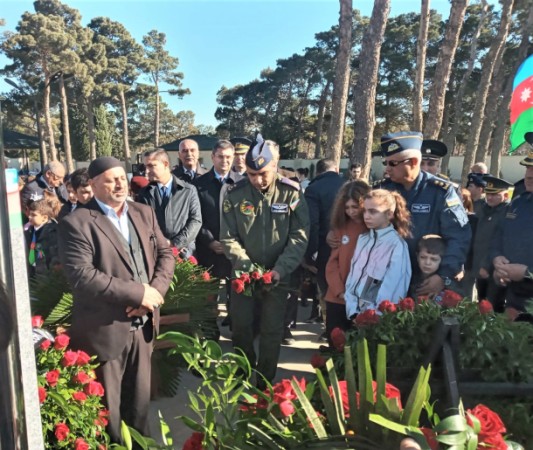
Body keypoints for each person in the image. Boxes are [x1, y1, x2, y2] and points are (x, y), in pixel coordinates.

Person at [58, 156, 175, 444]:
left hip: (144, 327)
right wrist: (137, 293)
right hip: (105, 331)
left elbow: (165, 254)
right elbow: (83, 276)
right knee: (109, 416)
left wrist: (153, 294)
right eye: (111, 179)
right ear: (94, 184)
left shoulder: (143, 212)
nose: (120, 184)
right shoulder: (77, 223)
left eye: (122, 177)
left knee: (139, 408)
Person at [220, 139, 309, 388]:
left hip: (278, 275)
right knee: (241, 327)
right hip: (243, 275)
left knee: (271, 331)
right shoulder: (235, 194)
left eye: (263, 174)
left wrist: (281, 269)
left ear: (275, 165)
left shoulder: (291, 192)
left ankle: (264, 382)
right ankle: (242, 376)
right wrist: (245, 265)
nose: (257, 180)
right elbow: (228, 236)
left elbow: (299, 236)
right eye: (251, 174)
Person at [374, 131, 471, 297]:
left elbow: (458, 236)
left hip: (427, 280)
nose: (387, 168)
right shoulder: (382, 190)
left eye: (393, 163)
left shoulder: (441, 192)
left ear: (413, 162)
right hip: (389, 277)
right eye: (386, 162)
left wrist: (443, 275)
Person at [193, 140, 244, 329]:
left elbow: (247, 219)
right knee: (208, 299)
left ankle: (237, 334)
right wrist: (210, 241)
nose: (225, 160)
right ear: (212, 157)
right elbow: (196, 217)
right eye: (221, 156)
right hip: (209, 250)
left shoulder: (242, 183)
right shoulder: (198, 184)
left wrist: (234, 243)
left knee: (238, 298)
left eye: (229, 157)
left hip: (235, 251)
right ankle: (208, 334)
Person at [345, 189, 411, 320]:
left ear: (389, 214)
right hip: (354, 313)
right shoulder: (363, 239)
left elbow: (394, 286)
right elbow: (352, 276)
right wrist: (352, 309)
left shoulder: (396, 244)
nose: (366, 216)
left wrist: (373, 315)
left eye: (373, 211)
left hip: (378, 317)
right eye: (365, 211)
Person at [490, 146, 533, 321]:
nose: (529, 175)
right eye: (528, 168)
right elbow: (499, 235)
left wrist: (528, 272)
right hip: (515, 298)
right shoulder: (518, 203)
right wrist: (497, 259)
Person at [324, 180, 370, 343]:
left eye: (355, 207)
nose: (351, 212)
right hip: (338, 298)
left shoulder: (373, 228)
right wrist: (339, 291)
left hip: (363, 299)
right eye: (347, 207)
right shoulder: (341, 227)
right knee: (335, 344)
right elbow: (332, 264)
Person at [304, 159, 345, 331]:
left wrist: (310, 253)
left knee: (327, 291)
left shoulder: (313, 189)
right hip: (348, 248)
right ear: (336, 169)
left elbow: (312, 223)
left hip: (324, 248)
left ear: (317, 172)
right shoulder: (348, 184)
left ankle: (330, 330)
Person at [138, 148, 202, 257]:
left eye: (151, 166)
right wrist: (162, 244)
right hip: (158, 253)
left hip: (184, 253)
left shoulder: (188, 190)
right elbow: (144, 224)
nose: (147, 171)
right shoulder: (145, 194)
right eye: (145, 167)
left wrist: (175, 244)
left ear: (165, 164)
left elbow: (195, 221)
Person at [472, 175, 512, 311]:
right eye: (488, 193)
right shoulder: (482, 208)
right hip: (478, 266)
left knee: (494, 306)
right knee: (481, 302)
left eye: (495, 194)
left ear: (505, 195)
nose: (490, 197)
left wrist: (487, 266)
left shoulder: (508, 212)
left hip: (495, 269)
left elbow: (499, 242)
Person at [25, 193, 60, 278]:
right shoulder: (30, 231)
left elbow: (55, 256)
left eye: (34, 215)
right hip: (34, 274)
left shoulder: (53, 232)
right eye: (30, 214)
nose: (29, 217)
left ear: (44, 218)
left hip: (47, 277)